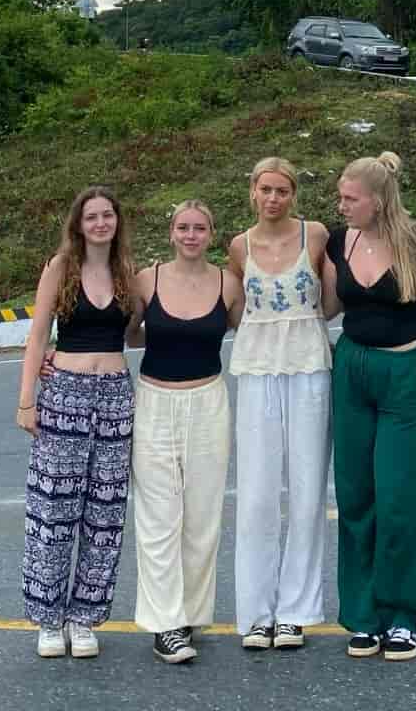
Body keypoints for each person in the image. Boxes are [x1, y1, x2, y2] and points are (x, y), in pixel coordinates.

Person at [322, 151, 416, 662]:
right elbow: (324, 307)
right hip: (352, 371)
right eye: (340, 197)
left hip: (409, 374)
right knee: (357, 496)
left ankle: (406, 619)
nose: (341, 206)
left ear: (378, 200)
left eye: (350, 198)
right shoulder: (341, 241)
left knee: (399, 500)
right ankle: (364, 617)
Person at [16, 185, 138, 659]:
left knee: (104, 513)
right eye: (92, 217)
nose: (101, 223)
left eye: (108, 215)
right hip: (64, 392)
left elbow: (139, 331)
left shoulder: (128, 272)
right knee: (54, 506)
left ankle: (84, 618)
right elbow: (36, 336)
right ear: (78, 224)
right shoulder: (60, 267)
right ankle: (48, 619)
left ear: (117, 222)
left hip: (115, 397)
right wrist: (28, 399)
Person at [127, 199, 243, 664]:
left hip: (209, 402)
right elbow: (126, 333)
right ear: (171, 233)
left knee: (201, 517)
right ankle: (165, 624)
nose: (190, 235)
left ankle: (191, 613)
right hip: (155, 402)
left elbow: (247, 332)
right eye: (182, 227)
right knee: (159, 518)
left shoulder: (228, 284)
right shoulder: (146, 280)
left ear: (211, 235)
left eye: (199, 228)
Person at [225, 156, 332, 651]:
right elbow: (234, 311)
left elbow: (331, 303)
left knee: (308, 489)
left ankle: (294, 612)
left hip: (309, 363)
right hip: (256, 367)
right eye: (265, 189)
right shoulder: (237, 247)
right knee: (258, 492)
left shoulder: (316, 237)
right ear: (252, 191)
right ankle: (256, 611)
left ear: (294, 194)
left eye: (282, 191)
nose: (273, 198)